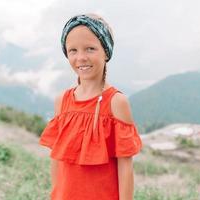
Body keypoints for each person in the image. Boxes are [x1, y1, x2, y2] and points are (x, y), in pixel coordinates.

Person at [39, 13, 142, 200]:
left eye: (90, 49)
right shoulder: (61, 101)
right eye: (73, 50)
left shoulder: (116, 102)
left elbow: (125, 166)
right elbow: (57, 159)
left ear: (106, 51)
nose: (81, 57)